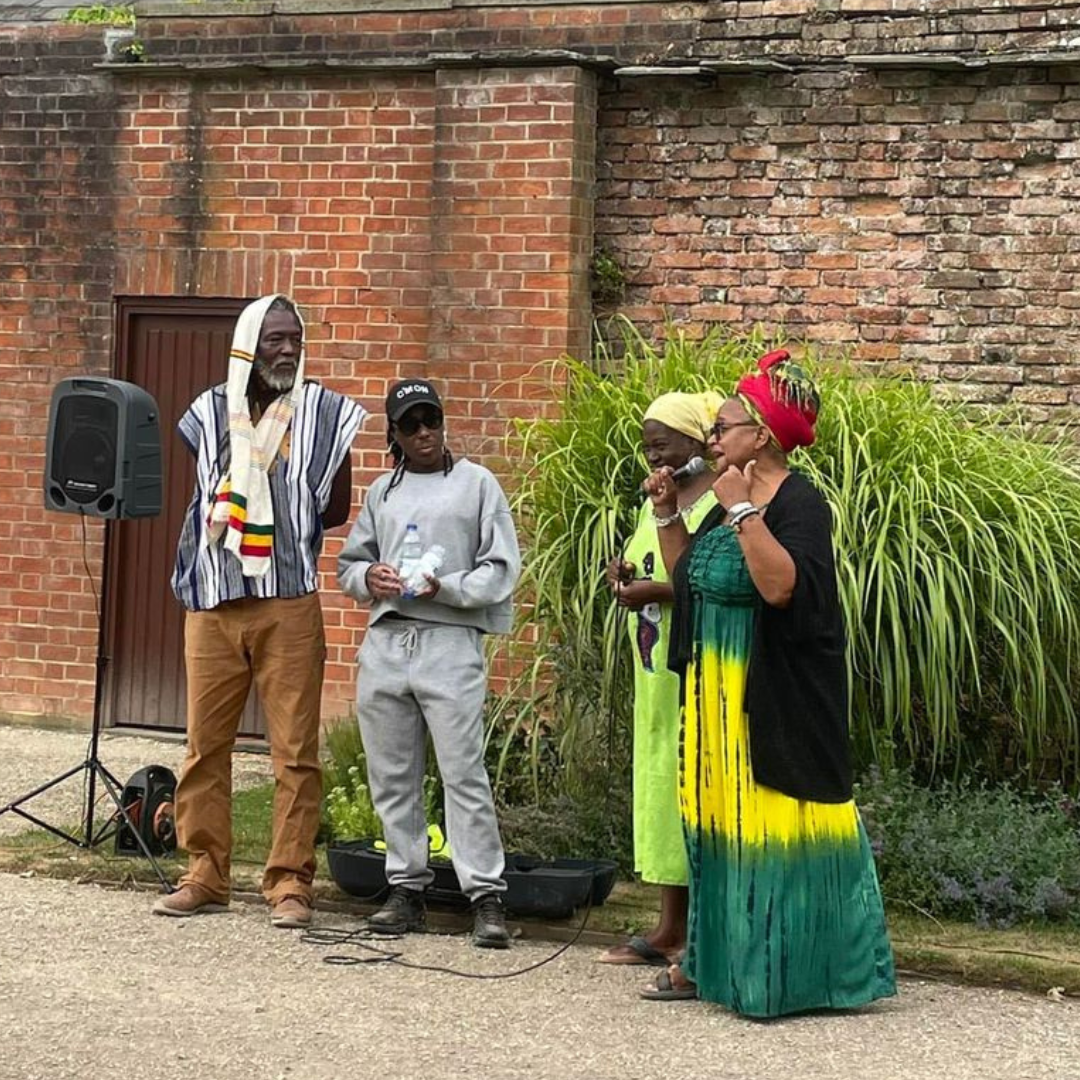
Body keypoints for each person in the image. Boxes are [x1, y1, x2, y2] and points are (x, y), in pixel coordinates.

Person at [640, 349, 896, 1015]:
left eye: (725, 426)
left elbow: (783, 588)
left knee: (773, 834)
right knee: (720, 833)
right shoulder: (726, 498)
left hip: (771, 704)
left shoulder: (796, 502)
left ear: (762, 434)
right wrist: (671, 516)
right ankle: (710, 962)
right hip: (717, 704)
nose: (714, 438)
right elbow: (692, 580)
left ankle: (786, 974)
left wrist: (744, 512)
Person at [154, 294, 365, 929]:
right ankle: (205, 874)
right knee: (203, 747)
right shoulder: (205, 412)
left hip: (288, 601)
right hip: (214, 599)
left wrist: (279, 528)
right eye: (274, 338)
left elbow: (335, 507)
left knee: (295, 752)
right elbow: (201, 495)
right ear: (248, 344)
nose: (287, 349)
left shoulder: (326, 414)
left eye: (295, 339)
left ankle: (290, 883)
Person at [337, 378, 521, 949]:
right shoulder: (382, 493)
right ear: (393, 434)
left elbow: (501, 568)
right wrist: (370, 577)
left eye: (431, 420)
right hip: (388, 641)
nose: (424, 433)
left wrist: (448, 587)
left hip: (449, 640)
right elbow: (350, 563)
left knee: (463, 772)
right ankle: (406, 888)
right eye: (411, 424)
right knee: (391, 775)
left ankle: (485, 895)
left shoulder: (476, 485)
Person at [598, 392, 718, 968]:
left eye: (664, 443)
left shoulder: (717, 498)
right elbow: (649, 559)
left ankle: (695, 931)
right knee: (659, 789)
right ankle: (668, 926)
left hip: (693, 666)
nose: (653, 454)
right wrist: (622, 575)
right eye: (647, 445)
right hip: (653, 670)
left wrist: (655, 592)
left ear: (697, 443)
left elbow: (704, 579)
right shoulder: (659, 499)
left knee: (689, 788)